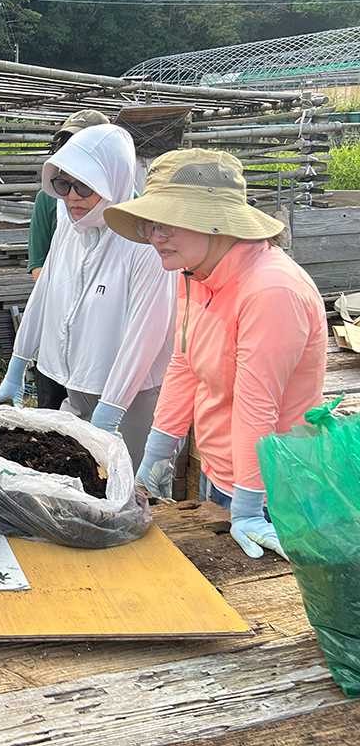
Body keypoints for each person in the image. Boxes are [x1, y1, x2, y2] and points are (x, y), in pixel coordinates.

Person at [103, 149, 327, 560]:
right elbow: (184, 364)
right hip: (219, 470)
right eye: (150, 224)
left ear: (215, 221)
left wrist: (247, 508)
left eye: (166, 223)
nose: (154, 236)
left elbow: (257, 404)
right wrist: (156, 457)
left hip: (270, 492)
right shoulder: (195, 272)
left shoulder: (271, 291)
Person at [0, 124, 177, 468]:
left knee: (128, 479)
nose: (72, 197)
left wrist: (111, 410)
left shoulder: (144, 244)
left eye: (84, 186)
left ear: (114, 182)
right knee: (78, 473)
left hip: (132, 397)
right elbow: (45, 291)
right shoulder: (70, 226)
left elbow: (146, 336)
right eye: (63, 185)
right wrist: (18, 363)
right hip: (77, 381)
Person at [26, 109, 111, 409]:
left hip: (102, 338)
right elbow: (39, 264)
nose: (73, 195)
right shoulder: (50, 199)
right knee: (52, 412)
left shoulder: (127, 201)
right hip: (56, 326)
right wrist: (67, 303)